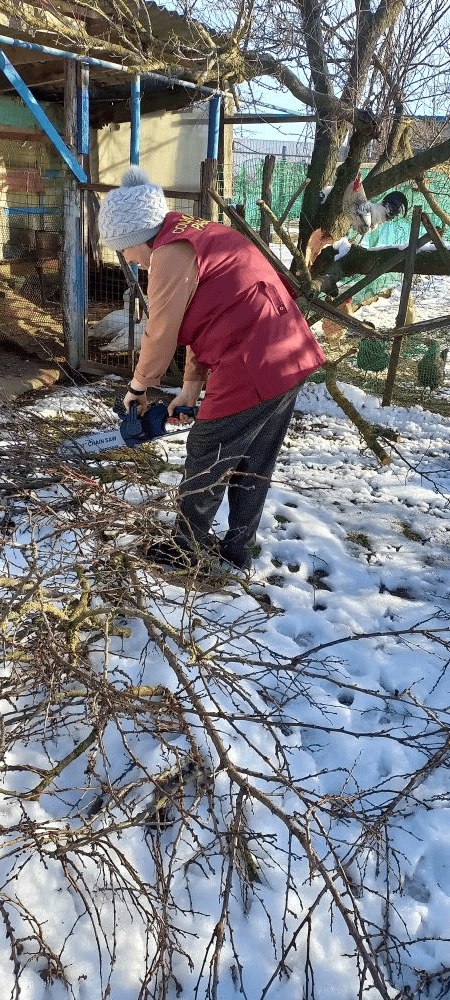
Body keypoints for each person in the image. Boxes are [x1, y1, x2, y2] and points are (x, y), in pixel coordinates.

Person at [98, 167, 325, 570]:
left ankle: (185, 550)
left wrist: (138, 388)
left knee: (207, 448)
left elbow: (160, 332)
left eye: (125, 249)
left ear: (135, 236)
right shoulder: (195, 233)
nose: (129, 260)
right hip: (288, 352)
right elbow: (206, 318)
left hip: (254, 360)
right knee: (253, 460)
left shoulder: (170, 254)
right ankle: (238, 550)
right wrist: (189, 387)